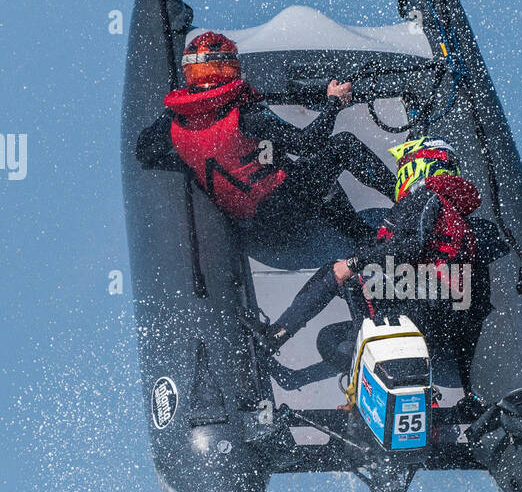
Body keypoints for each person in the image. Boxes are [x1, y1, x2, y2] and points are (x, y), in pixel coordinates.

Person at [264, 137, 490, 400]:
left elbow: (407, 246)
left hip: (425, 306)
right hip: (442, 322)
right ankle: (300, 380)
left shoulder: (428, 196)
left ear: (420, 165)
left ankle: (273, 337)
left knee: (339, 273)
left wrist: (353, 263)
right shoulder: (455, 213)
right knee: (332, 339)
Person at [136, 31, 396, 230]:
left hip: (245, 220)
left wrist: (194, 167)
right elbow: (307, 143)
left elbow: (144, 153)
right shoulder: (244, 115)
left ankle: (355, 231)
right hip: (281, 211)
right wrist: (334, 103)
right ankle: (403, 200)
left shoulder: (174, 118)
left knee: (293, 168)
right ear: (228, 67)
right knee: (342, 145)